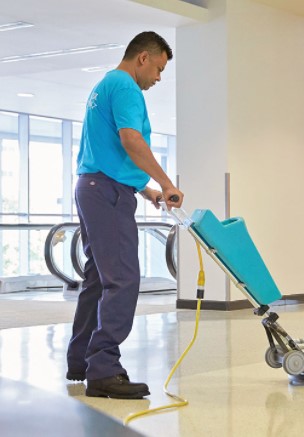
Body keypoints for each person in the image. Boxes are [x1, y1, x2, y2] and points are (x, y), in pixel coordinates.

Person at [66, 31, 184, 399]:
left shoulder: (105, 84)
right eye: (159, 69)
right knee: (123, 279)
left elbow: (106, 151)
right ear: (143, 58)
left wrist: (142, 188)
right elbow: (132, 139)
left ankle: (81, 362)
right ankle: (104, 368)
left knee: (100, 279)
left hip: (92, 186)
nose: (158, 78)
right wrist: (165, 183)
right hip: (107, 194)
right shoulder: (127, 87)